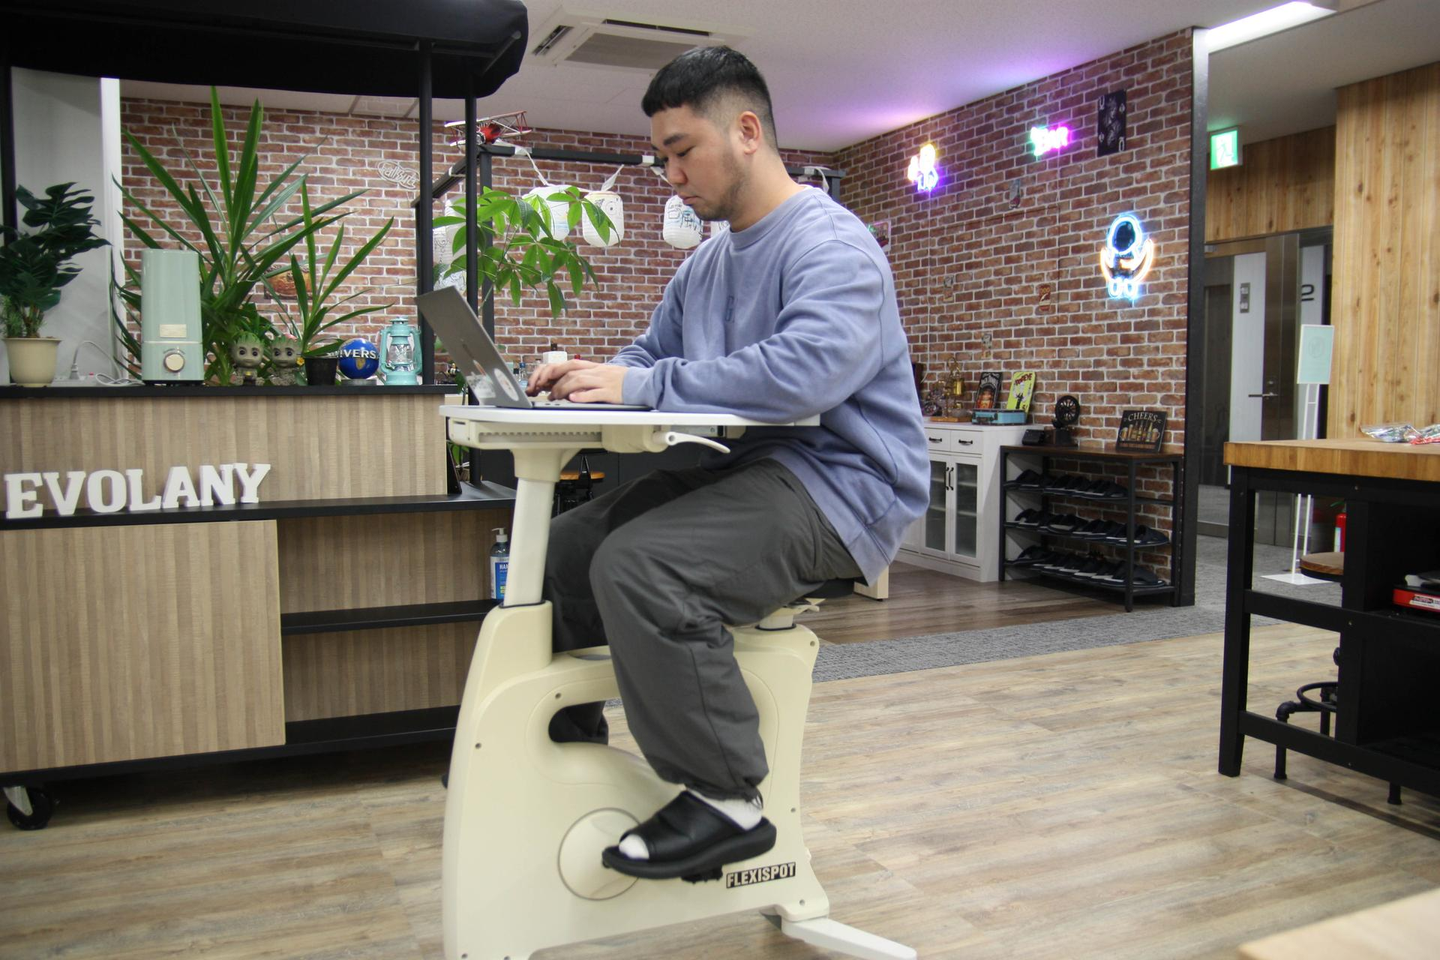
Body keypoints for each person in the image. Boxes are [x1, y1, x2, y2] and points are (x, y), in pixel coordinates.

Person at [526, 46, 929, 880]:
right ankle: (567, 750)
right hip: (748, 471)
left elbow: (804, 372)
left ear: (747, 131)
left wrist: (641, 383)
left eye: (682, 151)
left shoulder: (832, 243)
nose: (672, 176)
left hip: (842, 484)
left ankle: (724, 800)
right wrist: (586, 378)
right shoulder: (706, 263)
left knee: (643, 566)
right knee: (562, 550)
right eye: (662, 158)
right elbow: (650, 356)